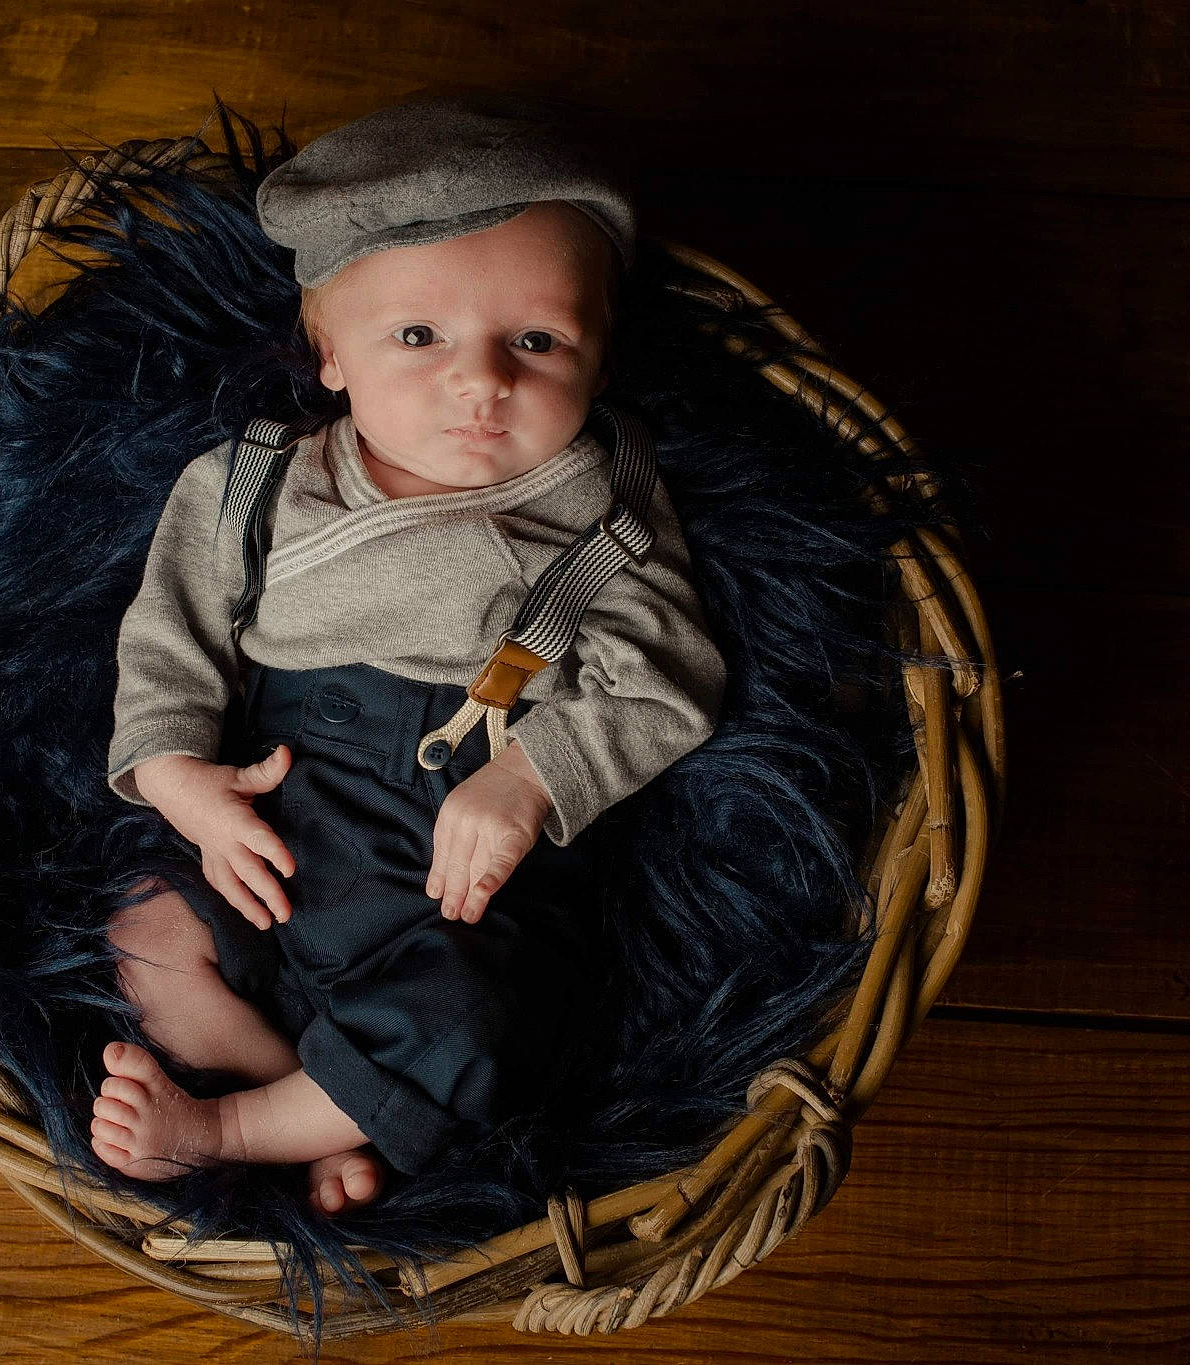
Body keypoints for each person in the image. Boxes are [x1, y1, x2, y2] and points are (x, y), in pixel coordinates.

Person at [92, 94, 728, 1215]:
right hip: (275, 832)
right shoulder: (250, 484)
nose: (480, 383)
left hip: (454, 874)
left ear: (599, 353)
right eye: (418, 337)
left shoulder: (605, 509)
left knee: (471, 1022)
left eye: (535, 341)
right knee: (145, 927)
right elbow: (169, 634)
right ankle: (300, 1096)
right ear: (329, 356)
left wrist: (527, 778)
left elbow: (662, 677)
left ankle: (234, 1126)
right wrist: (180, 780)